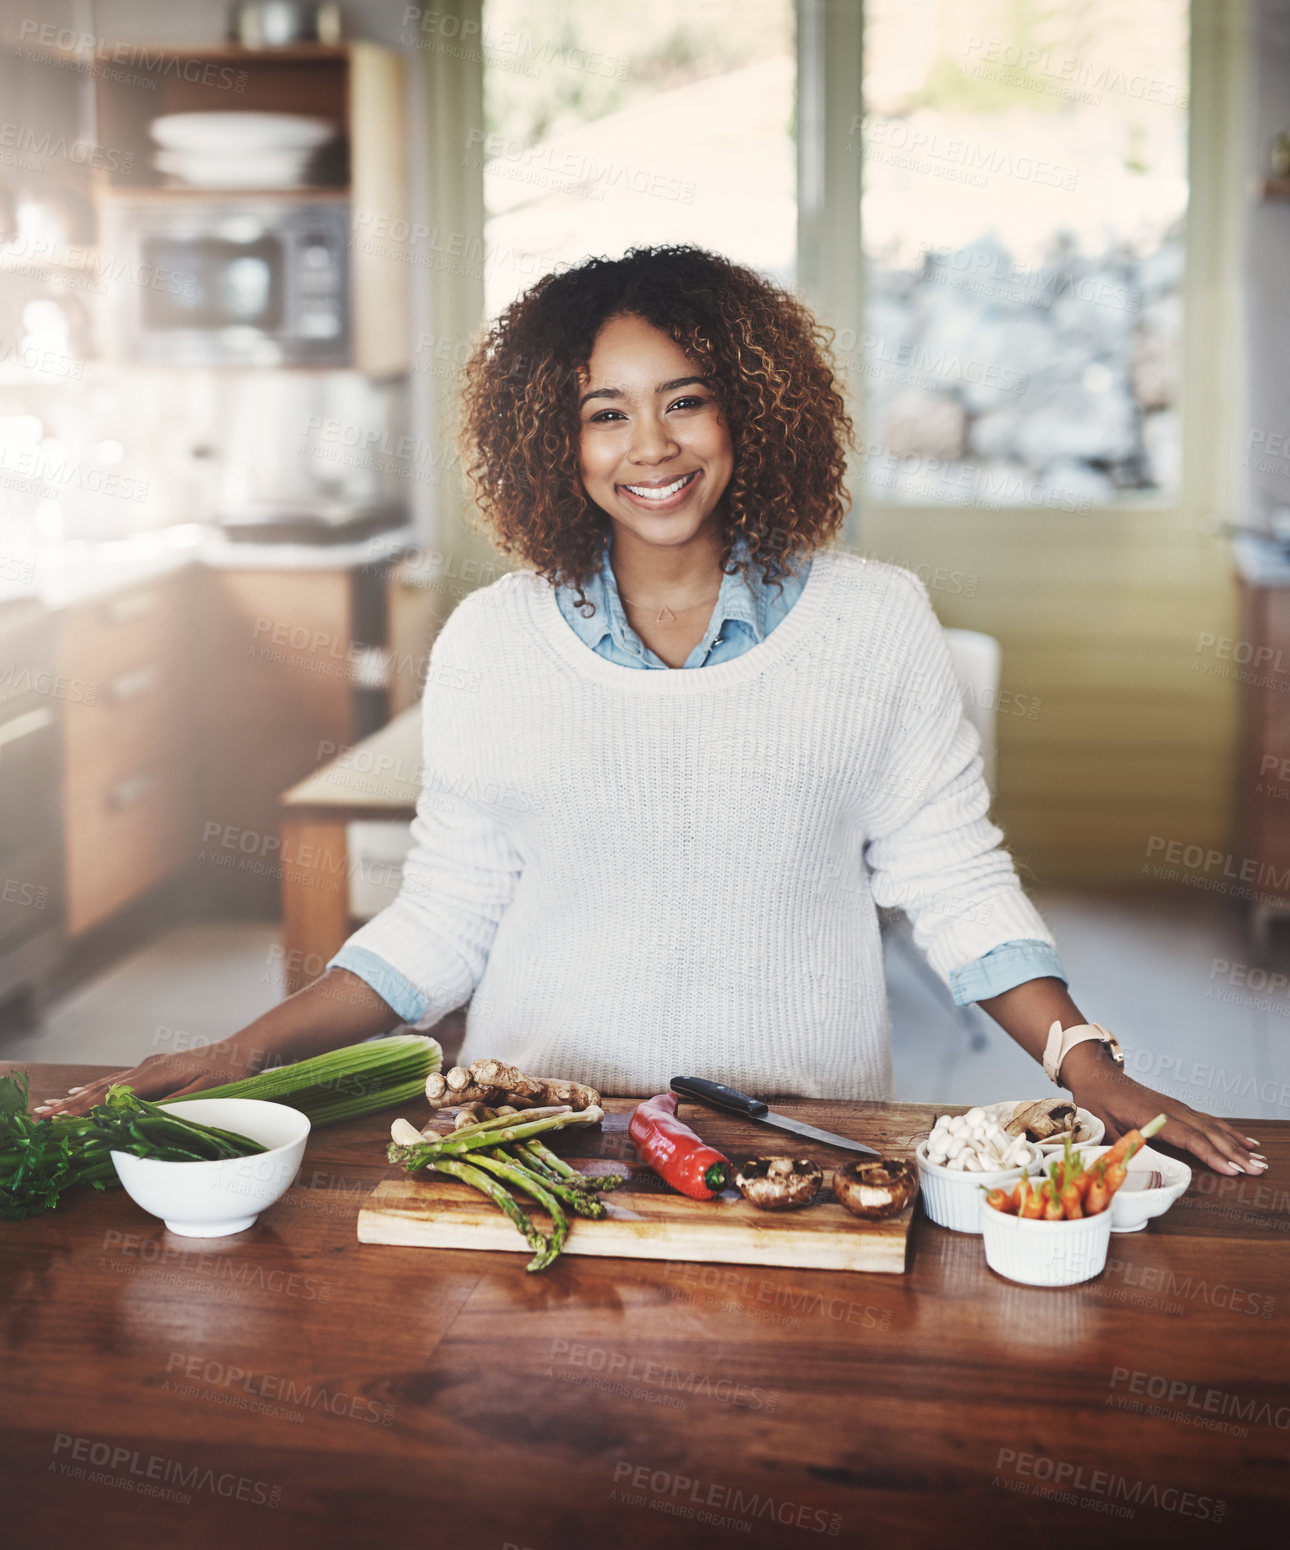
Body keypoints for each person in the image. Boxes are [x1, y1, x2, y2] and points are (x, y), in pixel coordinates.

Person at [37, 246, 1265, 1177]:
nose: (650, 447)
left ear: (751, 409)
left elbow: (953, 879)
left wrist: (1096, 1075)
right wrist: (246, 1045)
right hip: (542, 1136)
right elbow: (446, 917)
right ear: (552, 441)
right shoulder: (493, 642)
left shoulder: (876, 621)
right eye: (603, 411)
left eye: (685, 400)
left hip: (805, 1134)